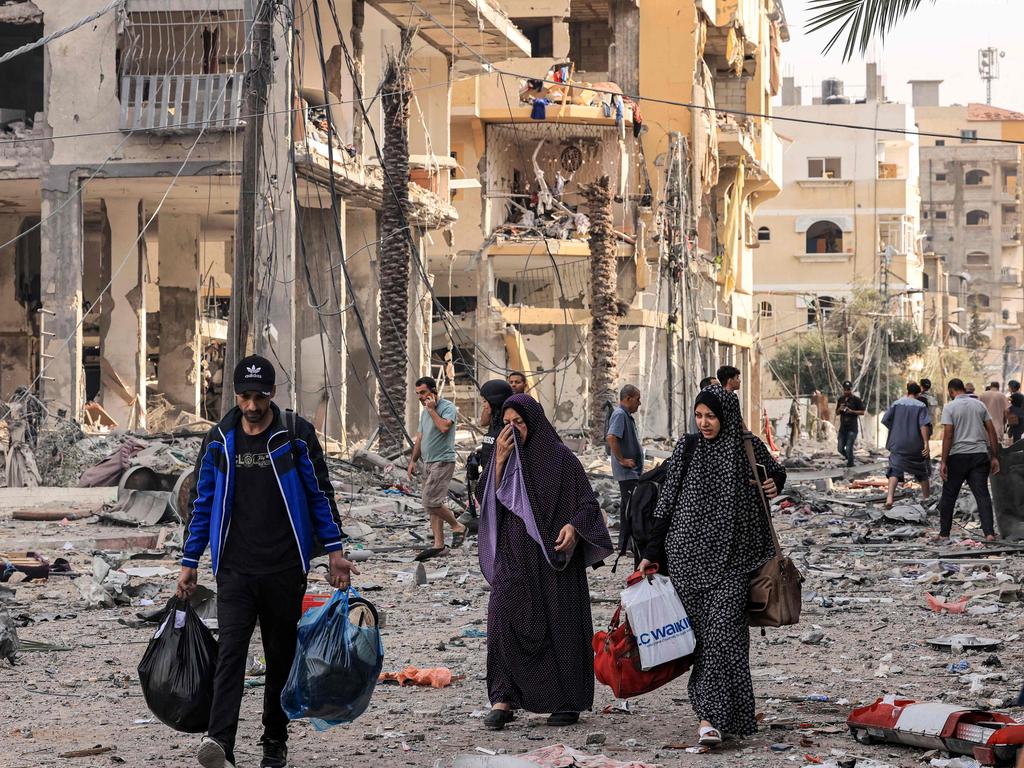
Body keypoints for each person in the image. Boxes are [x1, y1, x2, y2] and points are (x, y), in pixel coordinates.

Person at [178, 355, 357, 768]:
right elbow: (202, 502)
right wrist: (190, 560)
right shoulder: (220, 438)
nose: (252, 406)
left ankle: (274, 742)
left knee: (280, 657)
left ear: (273, 393)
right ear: (236, 395)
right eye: (245, 396)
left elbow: (320, 495)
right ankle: (220, 741)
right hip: (235, 569)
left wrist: (335, 552)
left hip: (283, 566)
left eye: (259, 397)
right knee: (231, 655)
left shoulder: (294, 435)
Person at [638, 385, 785, 746]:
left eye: (711, 416)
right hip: (687, 560)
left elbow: (777, 474)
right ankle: (715, 718)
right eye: (699, 415)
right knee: (705, 642)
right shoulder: (687, 448)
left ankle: (715, 718)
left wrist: (772, 482)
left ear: (727, 417)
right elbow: (666, 504)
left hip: (734, 561)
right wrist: (650, 553)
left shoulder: (747, 447)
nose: (704, 423)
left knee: (725, 636)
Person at [477, 394, 613, 730]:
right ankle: (503, 697)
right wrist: (499, 461)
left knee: (561, 627)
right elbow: (482, 502)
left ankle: (565, 701)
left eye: (519, 422)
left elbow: (587, 505)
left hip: (552, 559)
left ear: (534, 422)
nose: (513, 430)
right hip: (513, 556)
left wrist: (575, 527)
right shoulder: (501, 458)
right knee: (502, 619)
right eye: (507, 423)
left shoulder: (561, 459)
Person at [408, 377, 466, 560]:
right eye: (417, 393)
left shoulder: (446, 407)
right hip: (428, 462)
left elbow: (443, 428)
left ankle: (458, 526)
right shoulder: (425, 412)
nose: (420, 396)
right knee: (434, 505)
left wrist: (432, 410)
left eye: (423, 392)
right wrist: (412, 461)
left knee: (430, 501)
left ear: (433, 391)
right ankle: (439, 545)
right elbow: (420, 438)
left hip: (443, 461)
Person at [937, 378, 1001, 543]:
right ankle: (989, 533)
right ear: (963, 389)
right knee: (982, 495)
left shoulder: (950, 407)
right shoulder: (979, 405)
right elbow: (991, 431)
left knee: (949, 496)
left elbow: (948, 434)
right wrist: (994, 456)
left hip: (957, 457)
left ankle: (944, 533)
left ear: (952, 392)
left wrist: (943, 461)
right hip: (979, 455)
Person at [463, 380, 515, 529]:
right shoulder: (496, 420)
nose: (484, 405)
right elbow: (484, 425)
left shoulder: (508, 423)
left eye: (486, 401)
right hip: (489, 479)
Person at [882, 382, 931, 508]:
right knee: (922, 471)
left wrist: (896, 429)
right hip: (915, 444)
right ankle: (927, 499)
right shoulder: (921, 406)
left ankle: (889, 498)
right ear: (918, 393)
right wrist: (926, 443)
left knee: (894, 470)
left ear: (907, 391)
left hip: (897, 443)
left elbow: (885, 420)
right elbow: (923, 425)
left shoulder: (896, 403)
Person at [606, 384, 644, 544]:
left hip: (630, 471)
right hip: (627, 471)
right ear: (628, 399)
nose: (639, 403)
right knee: (632, 507)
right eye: (637, 399)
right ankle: (628, 543)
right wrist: (622, 460)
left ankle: (624, 542)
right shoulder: (620, 414)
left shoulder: (625, 415)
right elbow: (611, 437)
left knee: (627, 506)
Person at [836, 381, 866, 468]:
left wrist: (852, 411)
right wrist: (840, 408)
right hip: (842, 429)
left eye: (848, 390)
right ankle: (849, 458)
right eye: (845, 390)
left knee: (849, 447)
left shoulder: (856, 400)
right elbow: (837, 413)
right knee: (840, 448)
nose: (846, 391)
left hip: (852, 429)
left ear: (851, 389)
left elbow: (862, 412)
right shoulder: (840, 399)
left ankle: (850, 465)